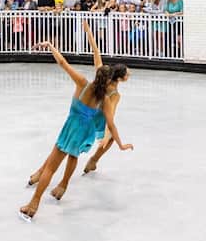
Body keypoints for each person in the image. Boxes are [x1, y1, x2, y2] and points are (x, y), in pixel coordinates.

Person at [20, 23, 133, 222]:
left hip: (71, 127)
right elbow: (112, 124)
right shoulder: (106, 98)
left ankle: (33, 204)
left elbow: (63, 63)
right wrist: (121, 144)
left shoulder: (83, 83)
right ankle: (63, 185)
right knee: (73, 156)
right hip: (85, 131)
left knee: (50, 167)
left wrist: (50, 46)